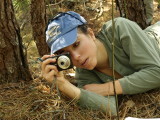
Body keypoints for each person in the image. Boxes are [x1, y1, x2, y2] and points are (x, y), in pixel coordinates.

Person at [41, 11, 160, 115]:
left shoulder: (118, 29)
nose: (76, 57)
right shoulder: (84, 73)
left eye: (76, 44)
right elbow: (111, 109)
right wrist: (63, 85)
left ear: (91, 34)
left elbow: (156, 73)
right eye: (66, 54)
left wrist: (107, 88)